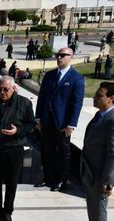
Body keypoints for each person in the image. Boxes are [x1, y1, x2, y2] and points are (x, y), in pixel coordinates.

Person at [71, 82, 114, 221]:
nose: (94, 97)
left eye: (99, 95)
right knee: (93, 211)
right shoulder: (100, 115)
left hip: (100, 177)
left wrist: (107, 181)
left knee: (99, 212)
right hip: (89, 172)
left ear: (111, 99)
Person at [0, 76, 36, 221]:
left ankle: (7, 211)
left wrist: (17, 130)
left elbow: (31, 125)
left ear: (13, 88)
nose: (2, 92)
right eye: (0, 89)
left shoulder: (24, 103)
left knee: (11, 182)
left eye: (6, 89)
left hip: (14, 148)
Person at [35, 47, 84, 192]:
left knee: (63, 153)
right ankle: (48, 178)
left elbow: (77, 103)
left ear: (71, 57)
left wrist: (71, 124)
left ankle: (62, 180)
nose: (59, 57)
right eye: (58, 55)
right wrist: (38, 119)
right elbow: (42, 98)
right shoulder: (49, 75)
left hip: (63, 123)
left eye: (63, 55)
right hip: (46, 121)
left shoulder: (76, 78)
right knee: (46, 151)